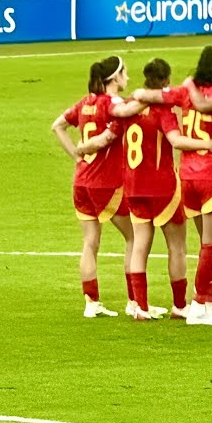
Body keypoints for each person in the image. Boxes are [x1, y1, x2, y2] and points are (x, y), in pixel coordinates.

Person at [123, 58, 212, 322]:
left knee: (139, 246)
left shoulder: (128, 109)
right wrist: (207, 144)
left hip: (133, 186)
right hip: (162, 187)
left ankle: (140, 307)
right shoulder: (163, 110)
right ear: (166, 81)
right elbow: (175, 140)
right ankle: (180, 305)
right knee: (177, 247)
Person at [50, 55, 138, 318]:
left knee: (90, 241)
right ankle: (135, 302)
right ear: (114, 78)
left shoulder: (85, 102)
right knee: (134, 237)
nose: (128, 78)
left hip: (81, 181)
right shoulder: (112, 104)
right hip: (106, 183)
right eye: (125, 73)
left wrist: (76, 156)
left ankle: (91, 302)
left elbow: (58, 126)